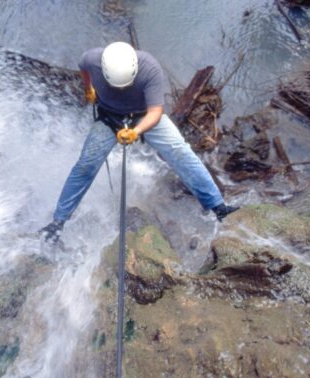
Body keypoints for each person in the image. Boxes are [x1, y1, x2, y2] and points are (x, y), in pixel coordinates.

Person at [40, 42, 238, 243]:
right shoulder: (92, 58)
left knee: (180, 152)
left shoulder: (149, 68)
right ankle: (57, 223)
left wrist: (135, 132)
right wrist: (88, 88)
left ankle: (218, 206)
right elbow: (84, 68)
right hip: (110, 117)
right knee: (85, 166)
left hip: (144, 117)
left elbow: (155, 112)